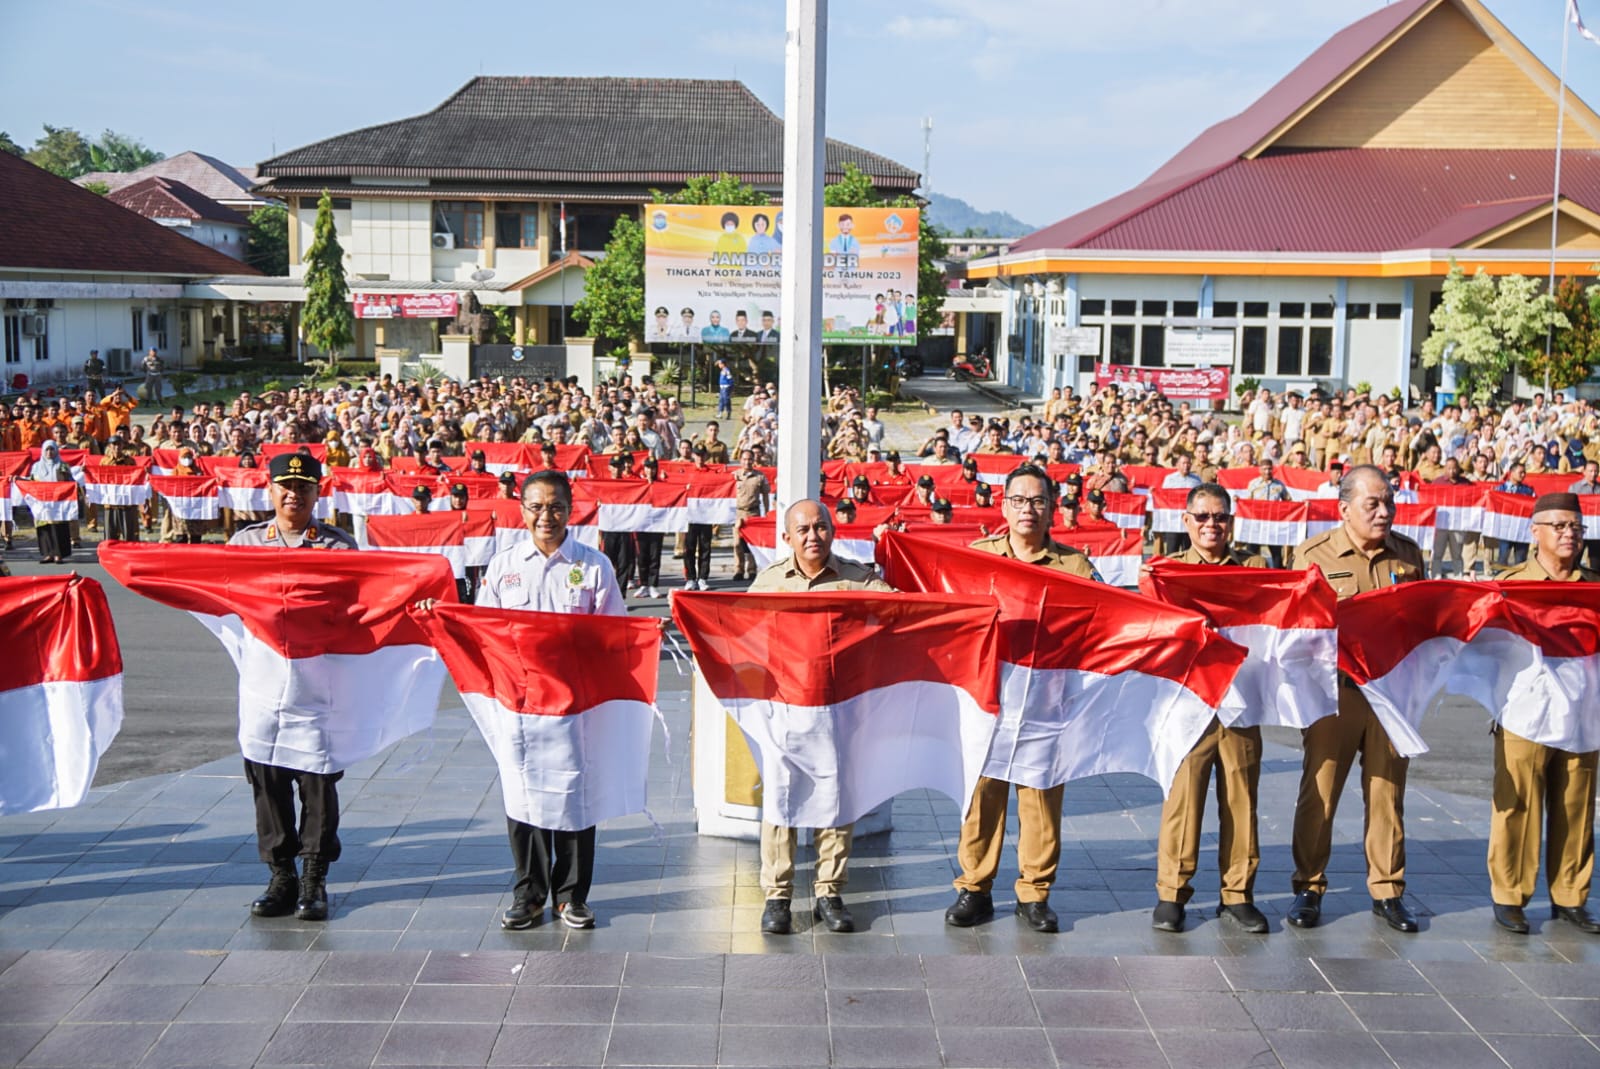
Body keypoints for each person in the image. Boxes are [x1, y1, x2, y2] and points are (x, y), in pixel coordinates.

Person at [947, 464, 1099, 934]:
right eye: (1019, 500)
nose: (1027, 509)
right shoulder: (978, 559)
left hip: (1048, 702)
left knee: (1041, 800)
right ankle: (975, 887)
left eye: (1037, 501)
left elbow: (1104, 625)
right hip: (990, 698)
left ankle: (1034, 893)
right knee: (983, 797)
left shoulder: (1075, 567)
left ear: (1052, 509)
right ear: (1003, 506)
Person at [477, 470, 625, 931]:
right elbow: (482, 631)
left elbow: (614, 633)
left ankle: (571, 896)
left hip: (574, 707)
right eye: (537, 507)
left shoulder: (594, 565)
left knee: (575, 796)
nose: (547, 516)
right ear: (522, 510)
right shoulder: (503, 566)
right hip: (520, 706)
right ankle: (529, 894)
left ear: (570, 510)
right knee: (524, 796)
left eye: (556, 507)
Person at [1288, 464, 1426, 934]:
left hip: (1390, 696)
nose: (1384, 512)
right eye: (1373, 504)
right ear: (1344, 508)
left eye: (1389, 503)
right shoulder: (1313, 555)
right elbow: (1297, 628)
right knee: (1320, 792)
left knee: (1387, 792)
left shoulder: (1407, 556)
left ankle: (1388, 890)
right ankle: (1309, 886)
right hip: (1335, 695)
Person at [750, 499, 890, 935]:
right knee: (781, 799)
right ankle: (778, 896)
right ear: (787, 537)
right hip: (784, 710)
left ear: (833, 530)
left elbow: (903, 614)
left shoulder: (858, 579)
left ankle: (830, 891)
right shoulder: (769, 582)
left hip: (839, 709)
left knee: (835, 798)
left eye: (821, 527)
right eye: (803, 529)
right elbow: (740, 633)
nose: (814, 536)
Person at [230, 454, 360, 921]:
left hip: (317, 683)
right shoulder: (245, 544)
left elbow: (360, 605)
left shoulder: (338, 546)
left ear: (317, 493)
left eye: (304, 487)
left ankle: (314, 877)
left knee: (317, 781)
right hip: (263, 682)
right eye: (285, 485)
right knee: (267, 779)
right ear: (270, 489)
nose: (294, 494)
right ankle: (281, 875)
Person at [1150, 484, 1269, 934]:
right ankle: (1172, 893)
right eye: (1202, 516)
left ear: (1231, 523)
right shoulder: (1168, 573)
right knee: (1184, 800)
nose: (1211, 525)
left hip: (1240, 703)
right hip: (1190, 705)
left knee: (1241, 799)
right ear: (1186, 521)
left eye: (1219, 517)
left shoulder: (1254, 572)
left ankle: (1237, 894)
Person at [1488, 493, 1600, 935]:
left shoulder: (1593, 586)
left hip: (1583, 711)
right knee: (1518, 805)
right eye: (1559, 526)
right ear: (1535, 532)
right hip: (1526, 712)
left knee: (1576, 806)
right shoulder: (1511, 585)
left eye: (1576, 527)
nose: (1569, 533)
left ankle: (1570, 896)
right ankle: (1510, 895)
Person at [27, 440, 75, 563]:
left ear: (56, 451)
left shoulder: (62, 465)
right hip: (42, 502)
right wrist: (19, 479)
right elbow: (31, 481)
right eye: (47, 450)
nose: (49, 452)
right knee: (44, 528)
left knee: (57, 528)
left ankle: (59, 554)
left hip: (58, 502)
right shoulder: (36, 466)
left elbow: (70, 481)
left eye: (52, 449)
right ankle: (48, 553)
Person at [732, 449, 771, 581]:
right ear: (740, 460)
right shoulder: (735, 475)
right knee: (737, 543)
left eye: (749, 459)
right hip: (739, 512)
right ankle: (739, 569)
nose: (747, 462)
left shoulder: (760, 476)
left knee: (751, 543)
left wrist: (767, 512)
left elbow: (765, 495)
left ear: (753, 460)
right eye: (744, 459)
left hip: (753, 513)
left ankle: (752, 569)